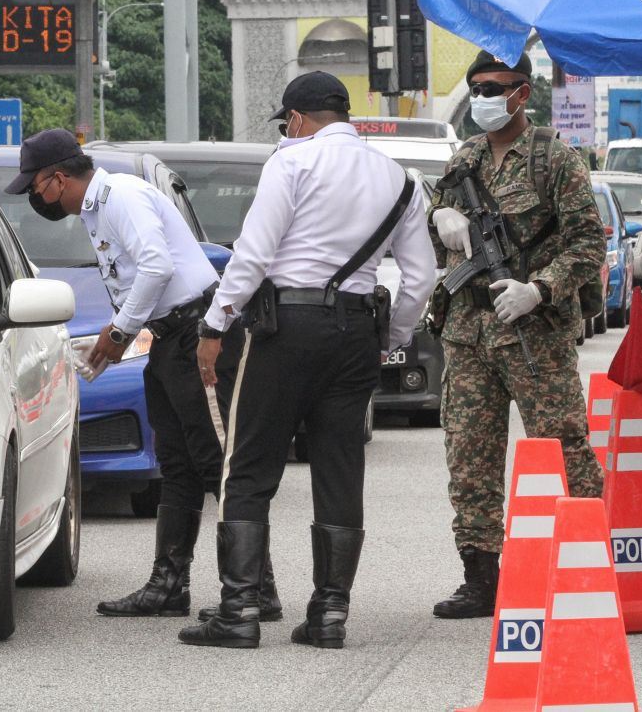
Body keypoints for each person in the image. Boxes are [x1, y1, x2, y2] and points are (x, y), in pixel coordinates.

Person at [178, 72, 436, 650]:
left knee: (247, 465)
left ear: (295, 120)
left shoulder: (291, 163)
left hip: (285, 328)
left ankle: (239, 611)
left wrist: (215, 322)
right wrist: (388, 336)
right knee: (340, 469)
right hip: (356, 335)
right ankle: (328, 617)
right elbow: (420, 279)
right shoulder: (402, 181)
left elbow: (252, 254)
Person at [4, 128, 281, 623]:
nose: (34, 198)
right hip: (169, 340)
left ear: (59, 177)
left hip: (198, 340)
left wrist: (118, 333)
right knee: (176, 463)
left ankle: (255, 589)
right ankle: (169, 585)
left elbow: (155, 268)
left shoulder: (122, 197)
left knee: (219, 462)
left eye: (35, 188)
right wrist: (126, 332)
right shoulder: (97, 207)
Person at [428, 51, 607, 619]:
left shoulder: (556, 160)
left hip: (534, 330)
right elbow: (439, 240)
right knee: (469, 454)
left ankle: (584, 564)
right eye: (475, 87)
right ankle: (480, 576)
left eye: (494, 88)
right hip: (468, 331)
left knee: (560, 445)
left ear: (522, 93)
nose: (482, 97)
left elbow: (588, 246)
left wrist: (541, 287)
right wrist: (440, 219)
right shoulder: (465, 159)